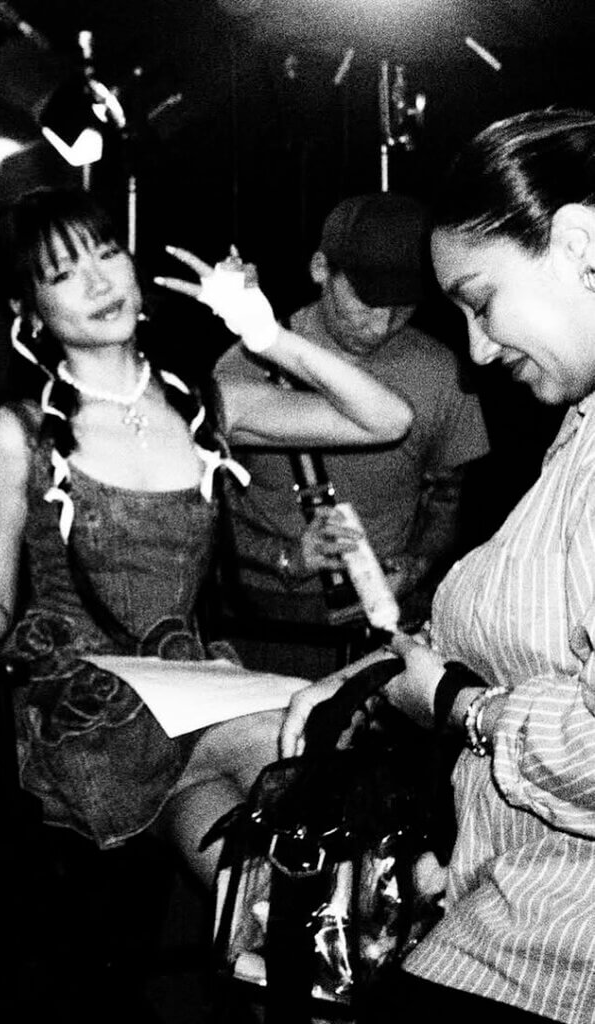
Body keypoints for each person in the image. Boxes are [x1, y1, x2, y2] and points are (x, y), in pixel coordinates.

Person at [0, 185, 412, 888]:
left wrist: (266, 336)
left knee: (255, 900)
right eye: (64, 273)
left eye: (107, 254)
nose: (98, 282)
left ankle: (312, 943)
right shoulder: (18, 433)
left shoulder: (203, 406)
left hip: (187, 691)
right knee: (304, 725)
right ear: (27, 310)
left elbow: (387, 420)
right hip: (81, 705)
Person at [282, 107, 595, 1023]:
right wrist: (388, 673)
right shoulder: (579, 424)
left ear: (578, 245)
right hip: (500, 912)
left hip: (550, 957)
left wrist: (457, 705)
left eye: (480, 300)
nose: (478, 349)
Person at [214, 192, 490, 677]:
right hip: (267, 626)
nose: (382, 322)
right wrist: (287, 558)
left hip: (387, 629)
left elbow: (448, 497)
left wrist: (419, 563)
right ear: (321, 268)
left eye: (403, 303)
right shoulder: (245, 367)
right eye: (368, 298)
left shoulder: (440, 372)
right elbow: (205, 517)